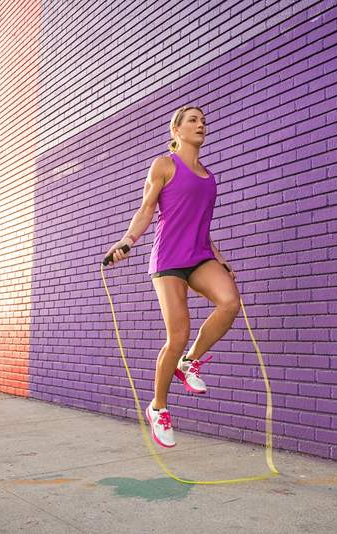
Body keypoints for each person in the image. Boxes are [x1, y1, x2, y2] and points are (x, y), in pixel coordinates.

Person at [104, 105, 240, 448]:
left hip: (200, 255)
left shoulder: (209, 178)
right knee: (177, 334)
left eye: (203, 121)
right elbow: (147, 208)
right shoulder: (165, 164)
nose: (201, 124)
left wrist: (220, 258)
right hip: (168, 259)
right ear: (176, 130)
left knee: (229, 302)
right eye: (193, 120)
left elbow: (202, 225)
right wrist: (127, 240)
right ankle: (158, 407)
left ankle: (190, 362)